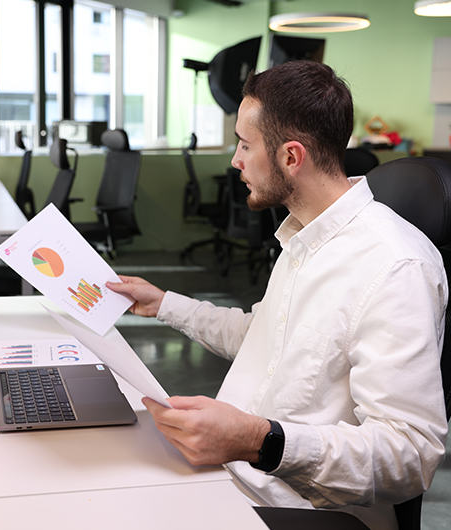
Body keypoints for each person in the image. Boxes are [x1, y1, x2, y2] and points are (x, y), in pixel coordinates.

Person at [107, 61, 448, 530]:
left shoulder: (394, 266)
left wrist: (258, 441)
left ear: (291, 157)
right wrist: (163, 303)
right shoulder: (305, 235)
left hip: (299, 510)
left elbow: (410, 454)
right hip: (233, 478)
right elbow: (267, 335)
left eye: (245, 145)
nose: (235, 161)